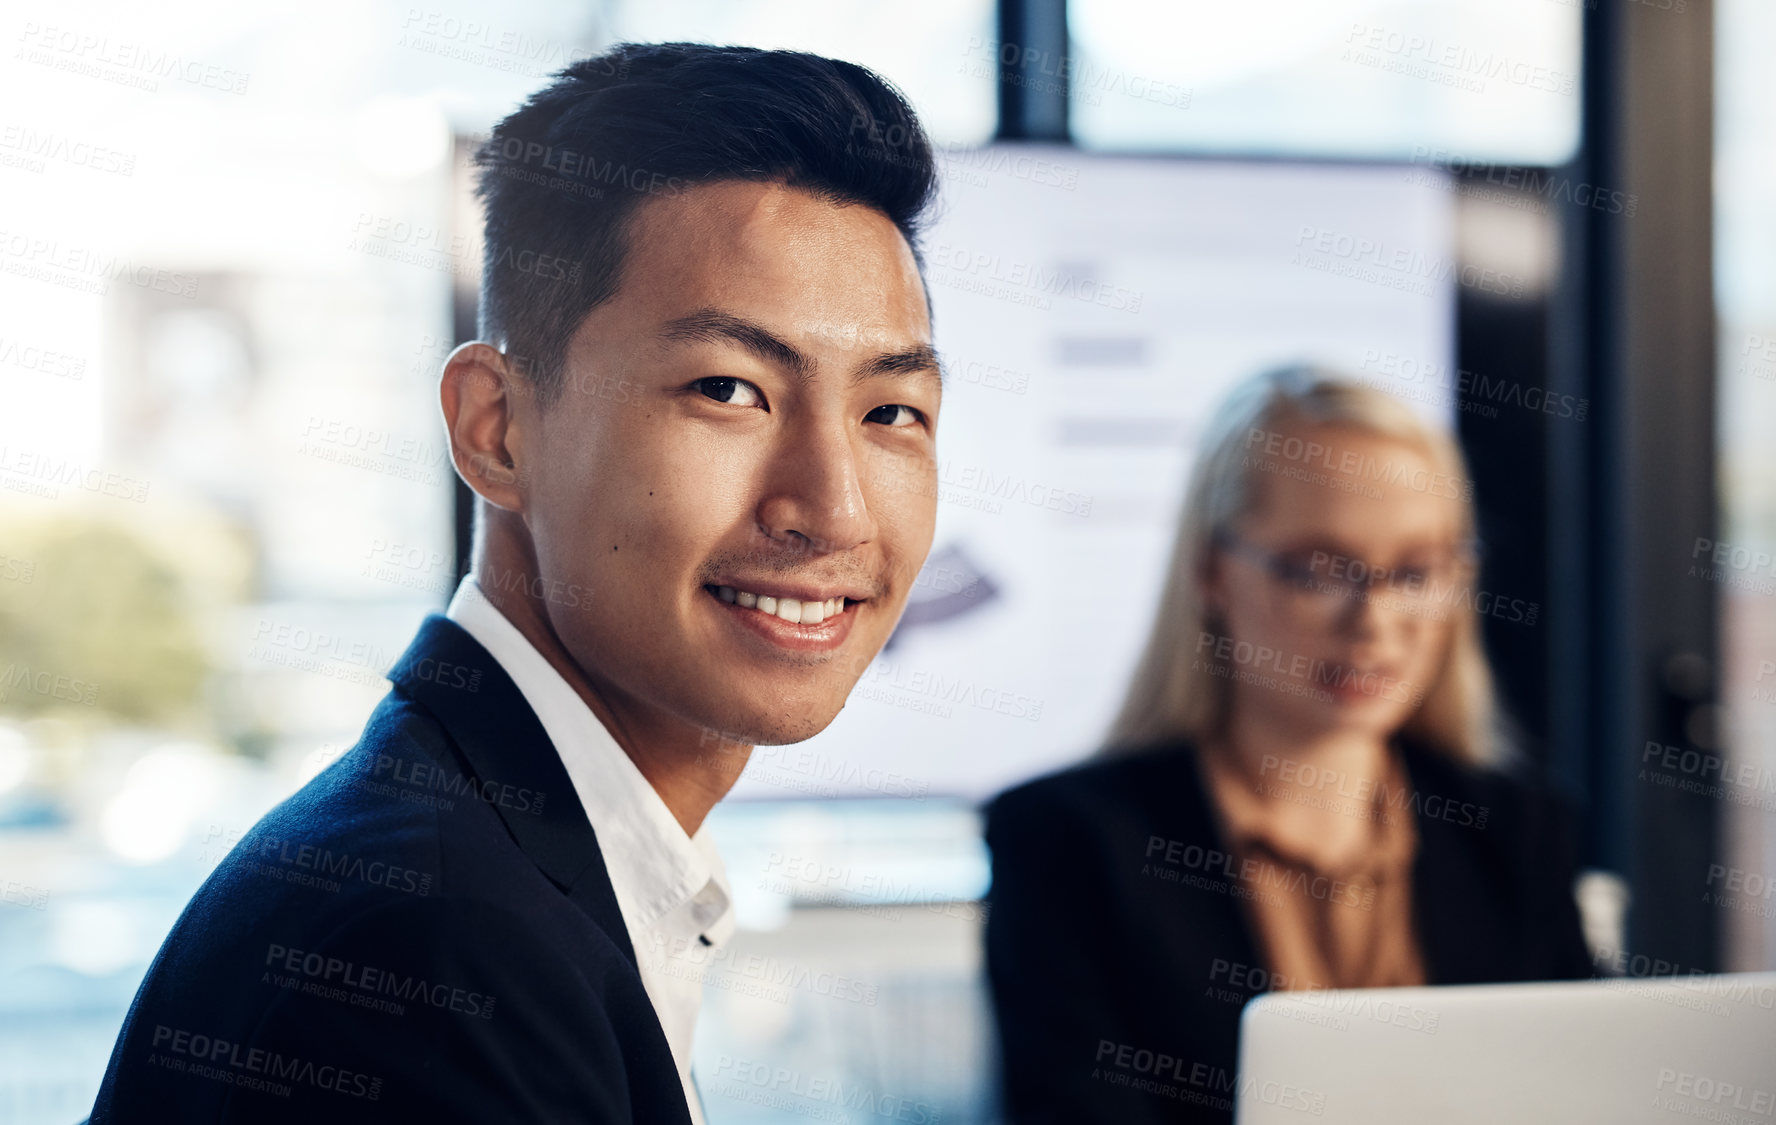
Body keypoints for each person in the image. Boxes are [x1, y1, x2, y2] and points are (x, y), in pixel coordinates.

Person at [91, 43, 943, 1123]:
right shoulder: (431, 952)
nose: (835, 510)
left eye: (891, 414)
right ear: (495, 428)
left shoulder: (505, 865)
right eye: (729, 390)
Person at [983, 367, 1594, 1125]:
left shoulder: (1519, 833)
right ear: (1211, 572)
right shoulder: (1067, 842)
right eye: (1320, 569)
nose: (1374, 622)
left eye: (1414, 572)